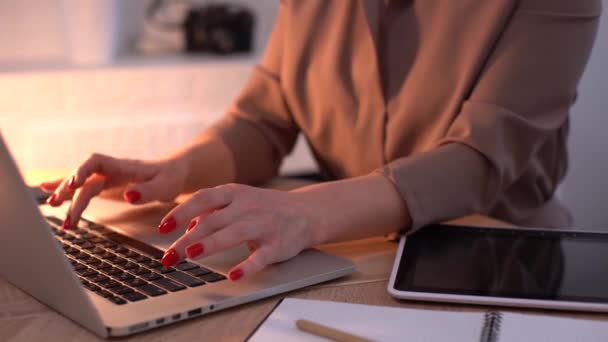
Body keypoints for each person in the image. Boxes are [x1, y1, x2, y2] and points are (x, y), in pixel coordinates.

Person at [40, 0, 601, 282]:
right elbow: (265, 117)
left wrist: (303, 215)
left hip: (497, 267)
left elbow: (480, 161)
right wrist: (174, 172)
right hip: (352, 260)